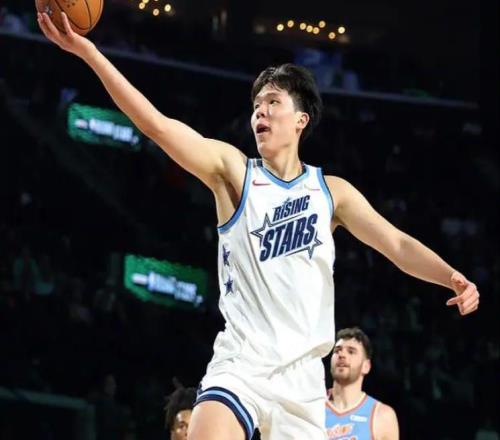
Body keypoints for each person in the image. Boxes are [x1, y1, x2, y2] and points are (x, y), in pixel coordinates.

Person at [37, 12, 480, 440]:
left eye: (272, 102)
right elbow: (157, 126)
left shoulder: (332, 193)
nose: (259, 113)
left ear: (301, 120)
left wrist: (450, 276)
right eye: (256, 105)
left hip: (303, 383)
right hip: (242, 365)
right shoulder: (234, 171)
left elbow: (396, 244)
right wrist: (90, 53)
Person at [326, 327, 399, 440]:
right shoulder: (312, 404)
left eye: (351, 351)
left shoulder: (382, 416)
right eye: (337, 350)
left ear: (366, 366)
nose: (342, 355)